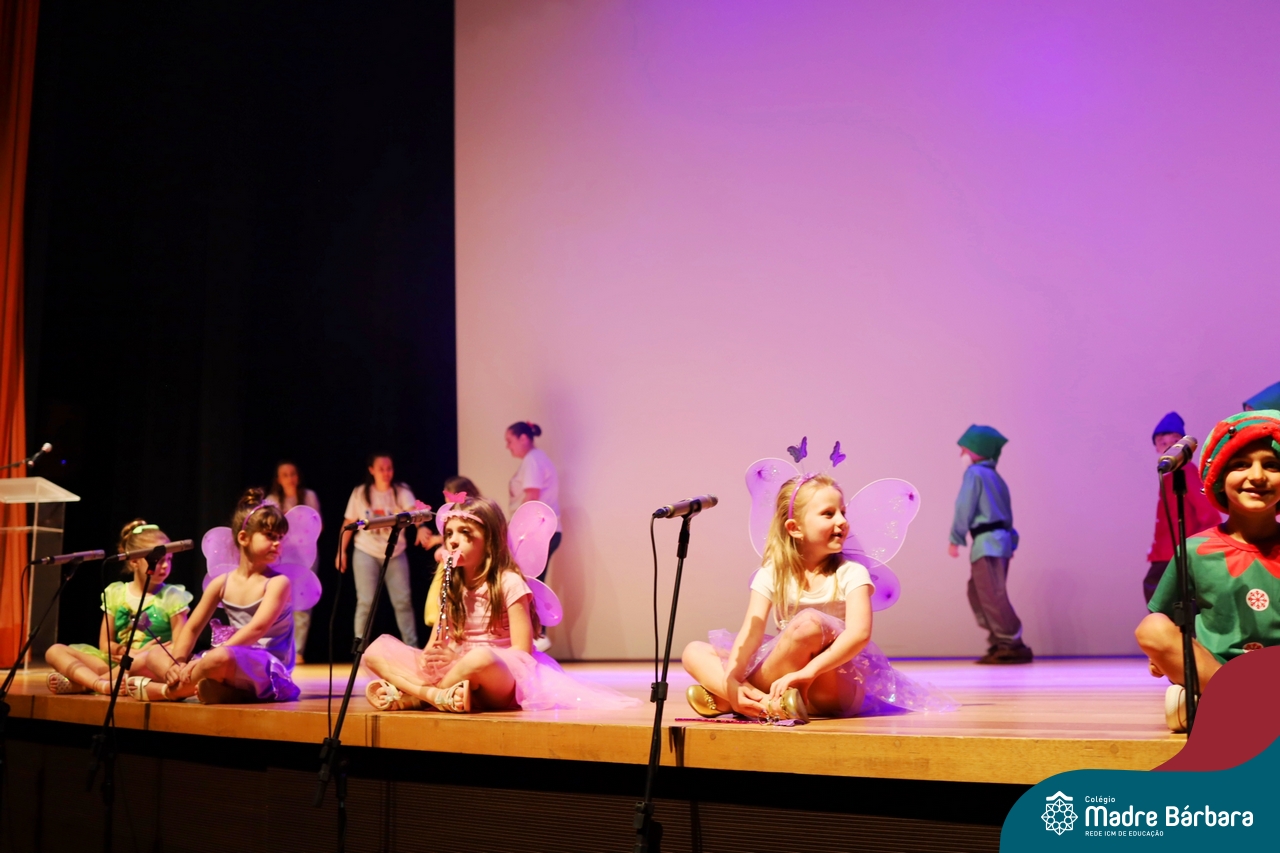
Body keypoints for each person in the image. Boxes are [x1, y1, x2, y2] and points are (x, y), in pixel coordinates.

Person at [681, 473, 953, 720]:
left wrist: (808, 672)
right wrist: (732, 678)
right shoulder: (772, 573)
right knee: (693, 651)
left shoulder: (852, 573)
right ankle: (759, 701)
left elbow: (859, 634)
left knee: (809, 623)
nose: (842, 521)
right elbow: (751, 632)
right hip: (787, 677)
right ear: (794, 528)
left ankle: (729, 700)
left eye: (843, 512)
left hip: (833, 681)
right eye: (828, 514)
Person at [362, 495, 637, 713]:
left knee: (480, 658)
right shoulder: (451, 583)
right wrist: (431, 658)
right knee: (374, 651)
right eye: (449, 533)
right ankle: (438, 696)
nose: (453, 540)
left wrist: (459, 660)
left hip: (499, 676)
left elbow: (522, 652)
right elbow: (435, 644)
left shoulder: (509, 582)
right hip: (457, 672)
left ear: (490, 540)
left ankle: (417, 697)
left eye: (465, 532)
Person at [1137, 410, 1280, 731]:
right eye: (1241, 465)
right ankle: (1239, 700)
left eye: (1272, 465)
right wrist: (1162, 656)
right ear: (1218, 477)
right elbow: (1162, 621)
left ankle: (1226, 707)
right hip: (1217, 670)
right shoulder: (1195, 550)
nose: (1257, 476)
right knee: (1151, 628)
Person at [157, 489, 301, 704]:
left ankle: (168, 691)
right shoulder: (221, 583)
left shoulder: (278, 583)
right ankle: (228, 692)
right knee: (158, 654)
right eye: (270, 536)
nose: (278, 543)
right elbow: (192, 628)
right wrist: (176, 663)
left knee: (217, 657)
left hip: (268, 668)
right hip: (235, 658)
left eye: (280, 537)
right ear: (243, 538)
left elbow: (257, 629)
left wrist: (204, 660)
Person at [44, 520, 191, 697]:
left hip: (148, 665)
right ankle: (102, 683)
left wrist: (142, 655)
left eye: (169, 559)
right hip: (115, 664)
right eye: (159, 560)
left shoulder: (172, 596)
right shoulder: (116, 593)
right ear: (135, 561)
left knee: (143, 660)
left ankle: (85, 685)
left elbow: (180, 645)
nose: (166, 565)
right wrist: (129, 652)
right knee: (54, 651)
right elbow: (105, 644)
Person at [948, 425, 1032, 664]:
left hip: (988, 544)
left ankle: (1010, 643)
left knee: (991, 594)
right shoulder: (995, 477)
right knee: (979, 592)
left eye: (964, 449)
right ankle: (1000, 640)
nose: (961, 454)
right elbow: (1007, 512)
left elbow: (964, 507)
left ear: (977, 450)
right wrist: (1011, 543)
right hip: (997, 543)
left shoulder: (975, 474)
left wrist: (955, 538)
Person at [338, 453, 429, 647]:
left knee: (403, 602)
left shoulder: (401, 491)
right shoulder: (360, 493)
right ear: (371, 470)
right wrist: (341, 551)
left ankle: (412, 647)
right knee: (365, 602)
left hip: (395, 552)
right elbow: (349, 521)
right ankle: (359, 650)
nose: (386, 473)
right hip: (366, 551)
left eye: (389, 468)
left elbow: (414, 513)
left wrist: (421, 528)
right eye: (381, 469)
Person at [1146, 413, 1221, 603]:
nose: (1167, 446)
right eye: (1162, 442)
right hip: (1166, 551)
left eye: (1174, 441)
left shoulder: (1186, 471)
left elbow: (1208, 514)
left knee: (1163, 596)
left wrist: (1199, 548)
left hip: (1178, 552)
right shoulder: (1168, 475)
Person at [265, 460, 322, 661]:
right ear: (278, 479)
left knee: (303, 602)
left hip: (306, 555)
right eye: (285, 474)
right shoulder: (272, 501)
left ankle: (297, 651)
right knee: (280, 600)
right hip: (281, 556)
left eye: (293, 473)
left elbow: (317, 526)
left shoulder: (308, 497)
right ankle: (279, 647)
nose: (290, 478)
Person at [424, 476, 481, 632]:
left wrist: (443, 551)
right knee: (443, 608)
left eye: (449, 496)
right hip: (450, 568)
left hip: (460, 570)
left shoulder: (471, 516)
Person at [505, 422, 560, 580]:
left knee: (528, 583)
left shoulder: (533, 460)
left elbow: (531, 498)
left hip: (537, 532)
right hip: (542, 531)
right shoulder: (536, 458)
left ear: (523, 438)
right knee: (530, 582)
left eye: (509, 441)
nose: (508, 447)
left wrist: (515, 527)